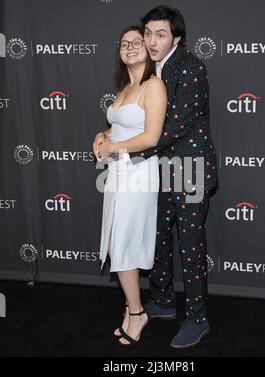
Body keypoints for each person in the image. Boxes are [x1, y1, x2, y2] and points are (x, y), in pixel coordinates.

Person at [94, 5, 218, 349]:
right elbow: (137, 115)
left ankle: (197, 317)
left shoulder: (191, 67)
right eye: (147, 33)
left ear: (175, 37)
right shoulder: (150, 71)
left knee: (191, 245)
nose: (151, 40)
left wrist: (120, 147)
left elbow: (170, 126)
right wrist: (107, 132)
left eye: (160, 34)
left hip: (188, 166)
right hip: (155, 168)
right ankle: (162, 301)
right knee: (158, 236)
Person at [93, 25, 167, 346]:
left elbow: (151, 136)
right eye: (125, 43)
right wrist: (103, 135)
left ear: (148, 49)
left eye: (137, 42)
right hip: (118, 172)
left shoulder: (154, 86)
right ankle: (130, 308)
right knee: (116, 242)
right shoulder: (125, 87)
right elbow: (118, 126)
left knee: (123, 243)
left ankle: (137, 314)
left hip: (139, 173)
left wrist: (112, 148)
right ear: (120, 51)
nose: (131, 47)